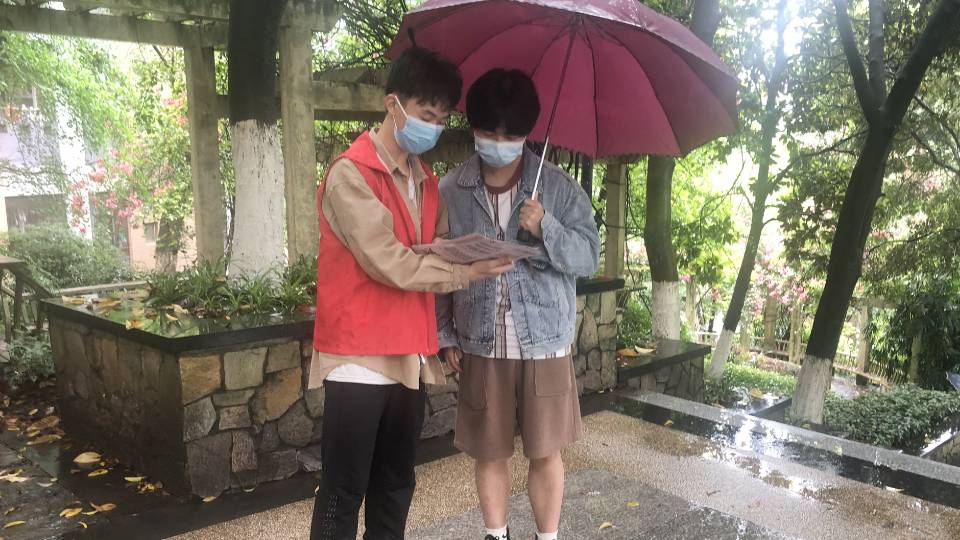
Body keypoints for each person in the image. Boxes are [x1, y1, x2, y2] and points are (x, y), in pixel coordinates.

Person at [308, 48, 514, 540]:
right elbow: (388, 261)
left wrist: (466, 253)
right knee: (344, 489)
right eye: (426, 114)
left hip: (409, 355)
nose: (433, 127)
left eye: (442, 119)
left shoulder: (427, 183)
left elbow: (434, 247)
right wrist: (465, 271)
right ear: (393, 105)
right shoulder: (350, 174)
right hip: (358, 356)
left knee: (396, 485)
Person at [436, 69, 601, 540]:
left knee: (546, 451)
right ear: (473, 128)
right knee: (489, 451)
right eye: (489, 133)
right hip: (480, 340)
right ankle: (496, 534)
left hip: (544, 342)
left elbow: (588, 257)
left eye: (510, 136)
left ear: (527, 133)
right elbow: (440, 265)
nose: (499, 143)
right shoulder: (451, 190)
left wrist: (545, 225)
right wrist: (445, 333)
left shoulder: (558, 188)